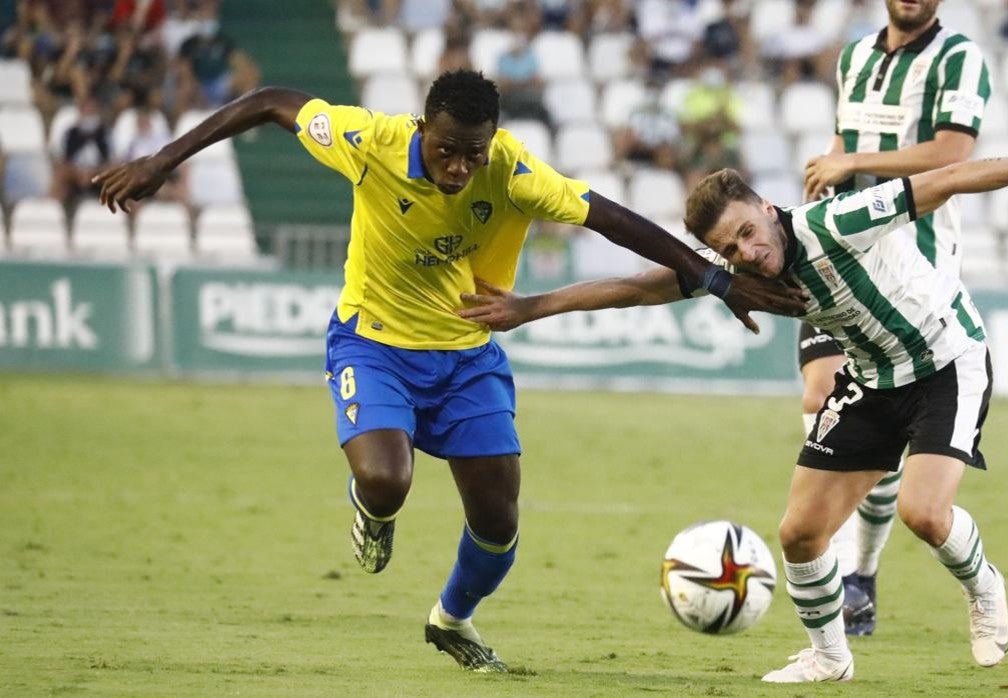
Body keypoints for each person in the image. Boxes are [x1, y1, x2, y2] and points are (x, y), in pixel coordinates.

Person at [91, 69, 806, 674]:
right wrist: (163, 160)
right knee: (385, 479)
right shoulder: (368, 141)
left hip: (466, 359)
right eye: (446, 151)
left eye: (473, 153)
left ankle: (450, 619)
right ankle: (373, 513)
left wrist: (715, 280)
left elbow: (611, 219)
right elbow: (271, 101)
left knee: (498, 524)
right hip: (372, 346)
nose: (461, 167)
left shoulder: (512, 169)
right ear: (421, 129)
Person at [458, 122, 1008, 682]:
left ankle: (982, 585)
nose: (748, 253)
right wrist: (530, 307)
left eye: (749, 232)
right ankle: (830, 659)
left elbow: (947, 179)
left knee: (922, 512)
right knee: (800, 533)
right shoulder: (735, 273)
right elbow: (637, 287)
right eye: (729, 248)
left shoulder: (839, 222)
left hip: (947, 362)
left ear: (769, 209)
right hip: (871, 378)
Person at [799, 0, 991, 635]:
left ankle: (861, 571)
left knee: (883, 421)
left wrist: (853, 163)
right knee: (820, 392)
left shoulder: (958, 57)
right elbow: (845, 142)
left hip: (913, 264)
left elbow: (953, 153)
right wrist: (829, 171)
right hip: (842, 252)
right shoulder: (855, 56)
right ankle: (840, 566)